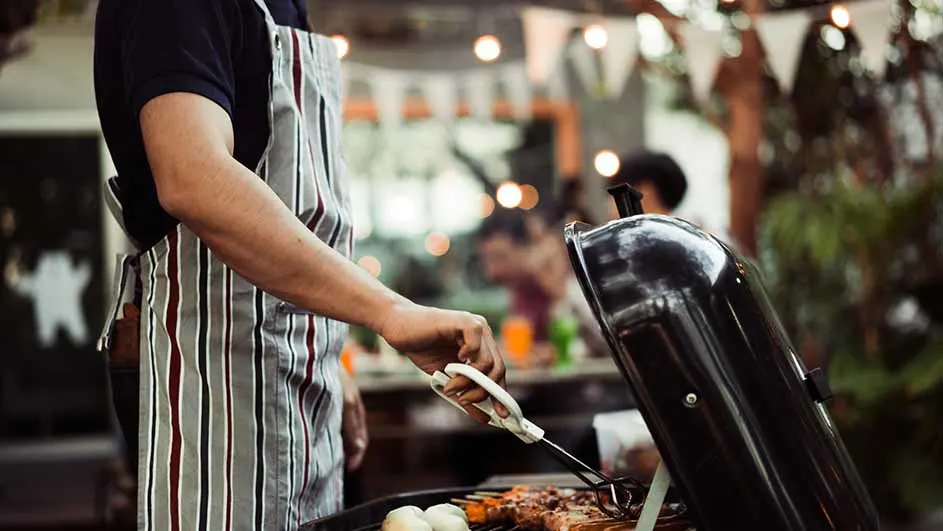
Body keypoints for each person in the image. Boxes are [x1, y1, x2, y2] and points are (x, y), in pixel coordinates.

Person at [93, 1, 507, 529]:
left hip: (305, 383)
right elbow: (192, 177)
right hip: (218, 394)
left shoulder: (287, 6)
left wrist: (328, 358)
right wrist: (391, 311)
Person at [476, 208, 607, 362]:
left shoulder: (578, 275)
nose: (492, 272)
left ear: (529, 246)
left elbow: (605, 339)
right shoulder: (521, 291)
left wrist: (558, 289)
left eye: (501, 257)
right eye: (487, 260)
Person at [608, 150, 739, 249]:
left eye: (616, 193)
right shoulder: (706, 239)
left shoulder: (640, 245)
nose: (609, 204)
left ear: (646, 192)